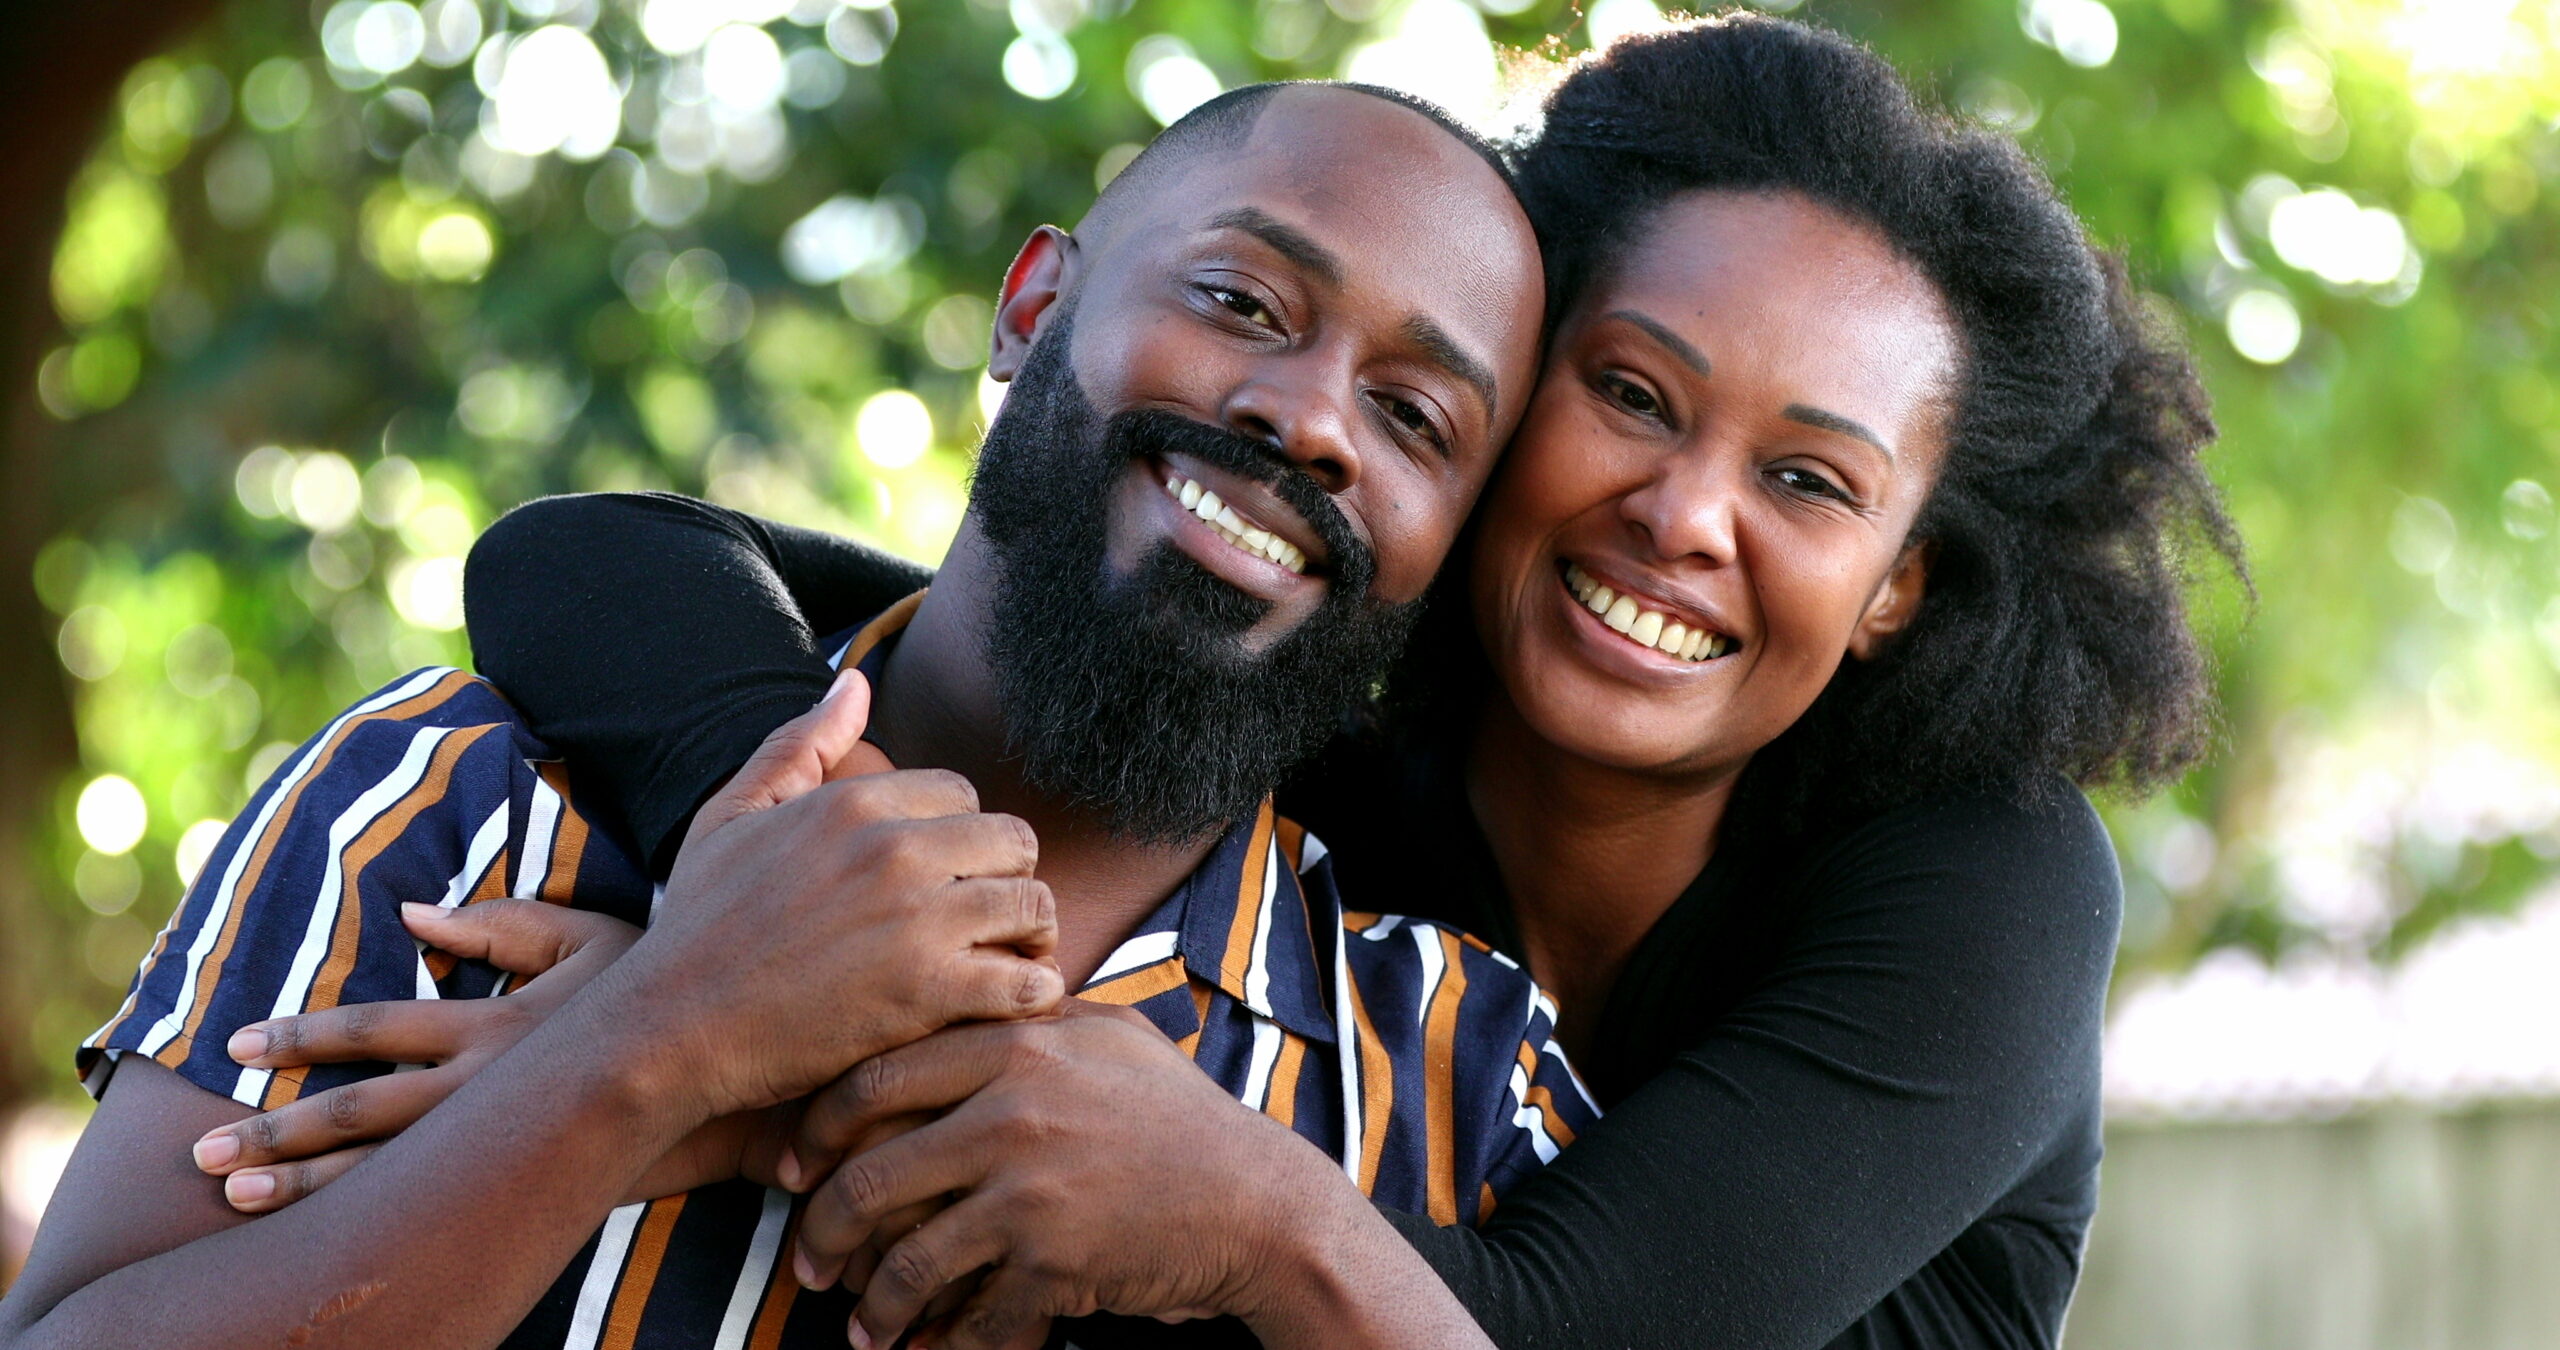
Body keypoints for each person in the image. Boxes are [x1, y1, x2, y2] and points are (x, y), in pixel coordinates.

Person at [292, 15, 2242, 1350]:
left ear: (1895, 588)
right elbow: (595, 558)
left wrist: (720, 1093)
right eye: (1628, 398)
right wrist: (789, 893)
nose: (1681, 515)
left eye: (1804, 482)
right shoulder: (1333, 744)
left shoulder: (1974, 883)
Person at [0, 81, 1590, 1350]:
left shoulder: (1461, 1077)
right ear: (1034, 309)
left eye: (1413, 416)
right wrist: (665, 1042)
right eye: (1245, 300)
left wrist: (1278, 1237)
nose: (1308, 415)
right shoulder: (451, 806)